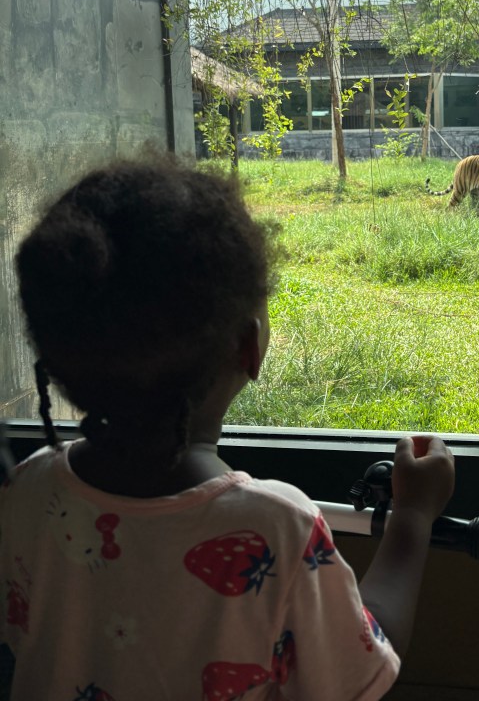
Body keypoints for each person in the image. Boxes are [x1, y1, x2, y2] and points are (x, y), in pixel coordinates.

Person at [1, 155, 455, 700]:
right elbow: (363, 657)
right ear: (247, 346)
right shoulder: (276, 530)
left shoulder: (25, 491)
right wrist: (411, 516)